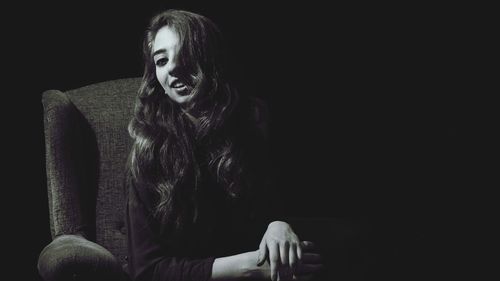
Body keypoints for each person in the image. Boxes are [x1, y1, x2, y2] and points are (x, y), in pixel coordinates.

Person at [125, 9, 323, 281]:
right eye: (161, 60)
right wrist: (250, 268)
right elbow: (147, 271)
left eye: (185, 53)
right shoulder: (149, 150)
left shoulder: (252, 122)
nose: (171, 67)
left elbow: (276, 198)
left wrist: (279, 224)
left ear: (210, 59)